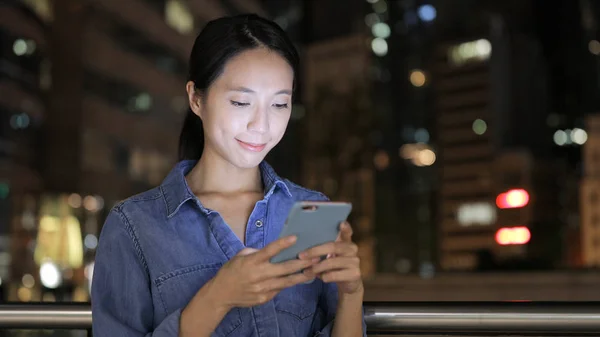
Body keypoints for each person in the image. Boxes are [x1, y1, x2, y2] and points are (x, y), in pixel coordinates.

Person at [91, 14, 366, 337]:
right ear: (196, 98)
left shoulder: (309, 209)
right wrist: (217, 297)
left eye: (279, 104)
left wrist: (352, 294)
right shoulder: (135, 226)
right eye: (240, 101)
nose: (261, 125)